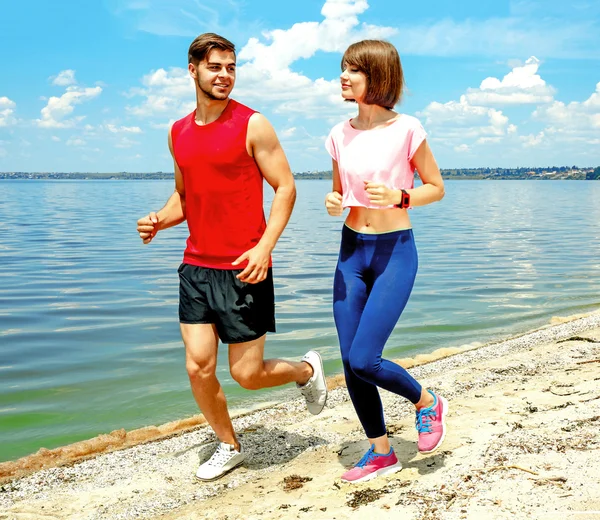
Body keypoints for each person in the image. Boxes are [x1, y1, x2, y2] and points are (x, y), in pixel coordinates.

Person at [136, 33, 327, 482]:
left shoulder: (252, 124)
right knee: (197, 365)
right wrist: (160, 220)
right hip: (196, 268)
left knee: (246, 373)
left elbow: (286, 186)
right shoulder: (176, 132)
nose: (224, 76)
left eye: (231, 67)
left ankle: (305, 370)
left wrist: (265, 247)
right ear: (193, 70)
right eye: (215, 67)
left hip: (245, 267)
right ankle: (229, 444)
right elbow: (185, 196)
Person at [324, 39, 448, 484]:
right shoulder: (338, 134)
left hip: (395, 251)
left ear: (378, 76)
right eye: (342, 68)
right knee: (348, 359)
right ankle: (380, 451)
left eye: (353, 69)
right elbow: (339, 190)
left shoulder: (408, 128)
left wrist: (401, 196)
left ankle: (426, 402)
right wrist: (334, 201)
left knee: (365, 357)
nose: (343, 76)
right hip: (351, 251)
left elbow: (435, 186)